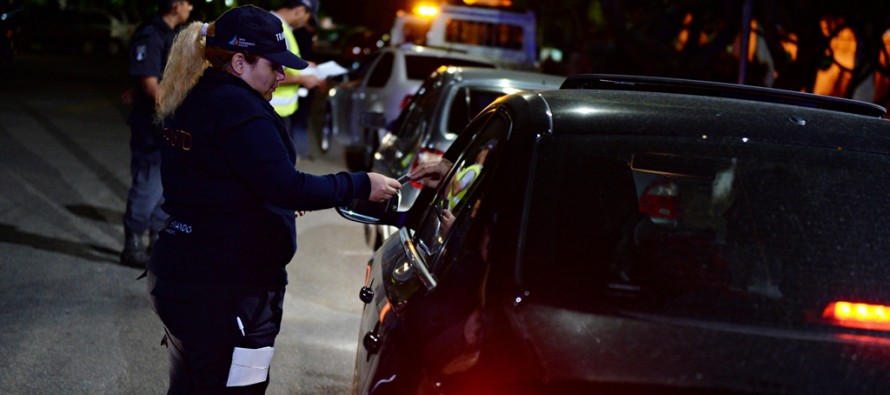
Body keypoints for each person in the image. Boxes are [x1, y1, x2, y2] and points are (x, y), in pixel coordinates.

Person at [146, 5, 400, 393]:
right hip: (228, 289)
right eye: (274, 65)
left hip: (185, 273)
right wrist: (361, 184)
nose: (282, 76)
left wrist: (268, 200)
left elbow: (216, 178)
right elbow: (287, 186)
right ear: (239, 62)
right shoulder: (239, 110)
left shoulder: (196, 96)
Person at [120, 0, 192, 268]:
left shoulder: (168, 34)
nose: (191, 8)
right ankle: (133, 244)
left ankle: (156, 242)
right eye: (189, 3)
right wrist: (185, 107)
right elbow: (151, 86)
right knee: (148, 185)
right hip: (151, 127)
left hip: (168, 126)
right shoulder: (150, 34)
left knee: (165, 186)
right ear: (176, 4)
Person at [269, 0, 323, 161]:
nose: (306, 22)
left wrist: (305, 66)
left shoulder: (279, 27)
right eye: (308, 16)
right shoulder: (278, 30)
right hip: (272, 111)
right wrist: (302, 79)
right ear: (300, 10)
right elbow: (270, 73)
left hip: (275, 113)